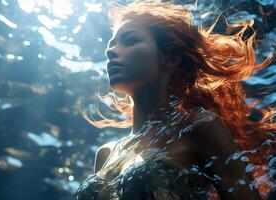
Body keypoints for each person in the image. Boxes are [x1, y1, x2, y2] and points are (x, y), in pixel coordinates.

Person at [76, 0, 276, 199]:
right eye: (112, 43)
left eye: (130, 40)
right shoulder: (105, 154)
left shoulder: (199, 127)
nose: (110, 51)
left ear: (171, 58)